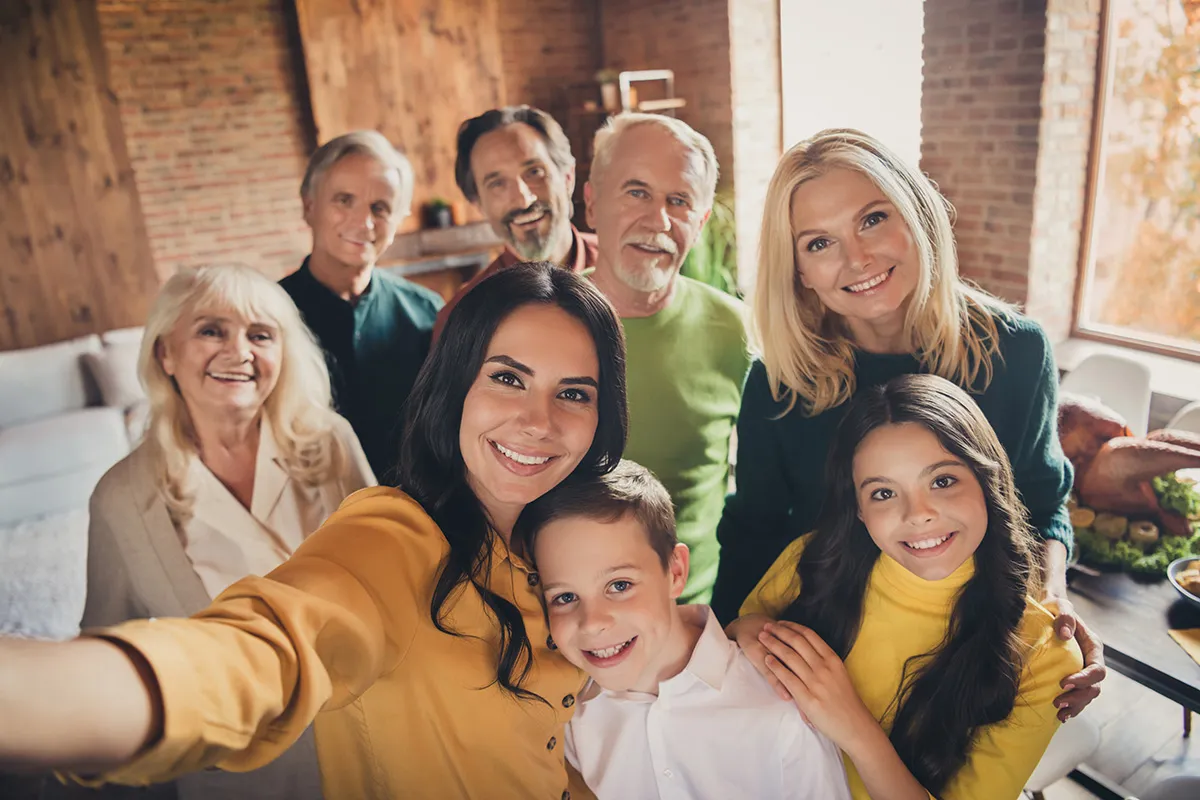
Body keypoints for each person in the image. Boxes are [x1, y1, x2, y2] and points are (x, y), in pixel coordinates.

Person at [0, 262, 627, 800]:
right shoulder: (400, 536)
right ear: (456, 382)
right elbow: (272, 642)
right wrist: (35, 694)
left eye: (574, 393)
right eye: (508, 377)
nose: (538, 420)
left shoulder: (570, 545)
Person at [710, 128, 1105, 719]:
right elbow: (753, 531)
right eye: (820, 243)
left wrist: (1054, 597)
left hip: (968, 652)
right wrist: (729, 639)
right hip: (823, 653)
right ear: (798, 271)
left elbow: (1040, 499)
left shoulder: (1015, 353)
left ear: (917, 214)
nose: (857, 258)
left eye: (872, 219)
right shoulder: (779, 381)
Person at [52, 264, 375, 800]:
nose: (239, 351)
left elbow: (388, 578)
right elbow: (105, 649)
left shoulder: (332, 442)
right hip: (241, 774)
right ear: (166, 355)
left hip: (369, 743)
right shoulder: (120, 498)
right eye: (210, 330)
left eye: (260, 335)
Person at [730, 374, 1084, 799]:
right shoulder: (811, 559)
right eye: (883, 493)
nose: (918, 514)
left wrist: (853, 726)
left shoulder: (1045, 656)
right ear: (859, 510)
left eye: (942, 481)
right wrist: (748, 631)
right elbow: (739, 636)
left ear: (989, 482)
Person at [514, 460, 850, 800]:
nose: (593, 621)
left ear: (675, 572)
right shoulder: (568, 715)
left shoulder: (780, 708)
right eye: (565, 596)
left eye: (619, 585)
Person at [584, 112, 750, 604]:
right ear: (591, 204)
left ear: (699, 223)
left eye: (678, 201)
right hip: (564, 628)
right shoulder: (539, 326)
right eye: (636, 192)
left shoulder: (734, 330)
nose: (657, 220)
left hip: (701, 620)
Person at [280, 130, 443, 479]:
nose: (364, 222)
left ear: (397, 222)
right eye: (344, 200)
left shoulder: (429, 313)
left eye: (380, 208)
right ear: (309, 206)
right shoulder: (267, 317)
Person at [434, 106, 599, 341]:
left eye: (534, 172)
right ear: (478, 204)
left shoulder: (628, 266)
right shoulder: (461, 319)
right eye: (497, 184)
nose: (522, 199)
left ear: (568, 178)